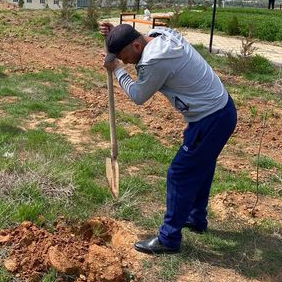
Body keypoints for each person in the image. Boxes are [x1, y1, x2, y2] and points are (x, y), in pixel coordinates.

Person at [99, 22, 237, 255]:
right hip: (218, 110)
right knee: (201, 166)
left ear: (135, 44)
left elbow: (138, 95)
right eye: (120, 59)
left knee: (179, 172)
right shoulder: (158, 34)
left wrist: (117, 71)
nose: (125, 62)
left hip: (211, 118)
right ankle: (195, 218)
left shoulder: (154, 60)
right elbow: (132, 41)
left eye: (124, 56)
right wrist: (115, 34)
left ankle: (169, 238)